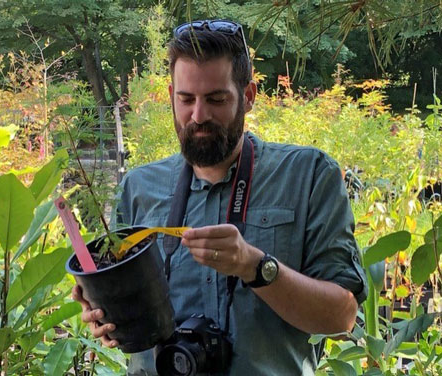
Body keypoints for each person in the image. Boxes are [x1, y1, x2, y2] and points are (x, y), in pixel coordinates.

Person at [73, 19, 367, 375]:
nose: (198, 116)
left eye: (216, 99)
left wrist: (255, 267)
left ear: (248, 96)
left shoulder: (307, 176)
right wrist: (104, 315)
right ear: (171, 97)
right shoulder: (139, 188)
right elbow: (119, 326)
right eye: (186, 100)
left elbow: (341, 316)